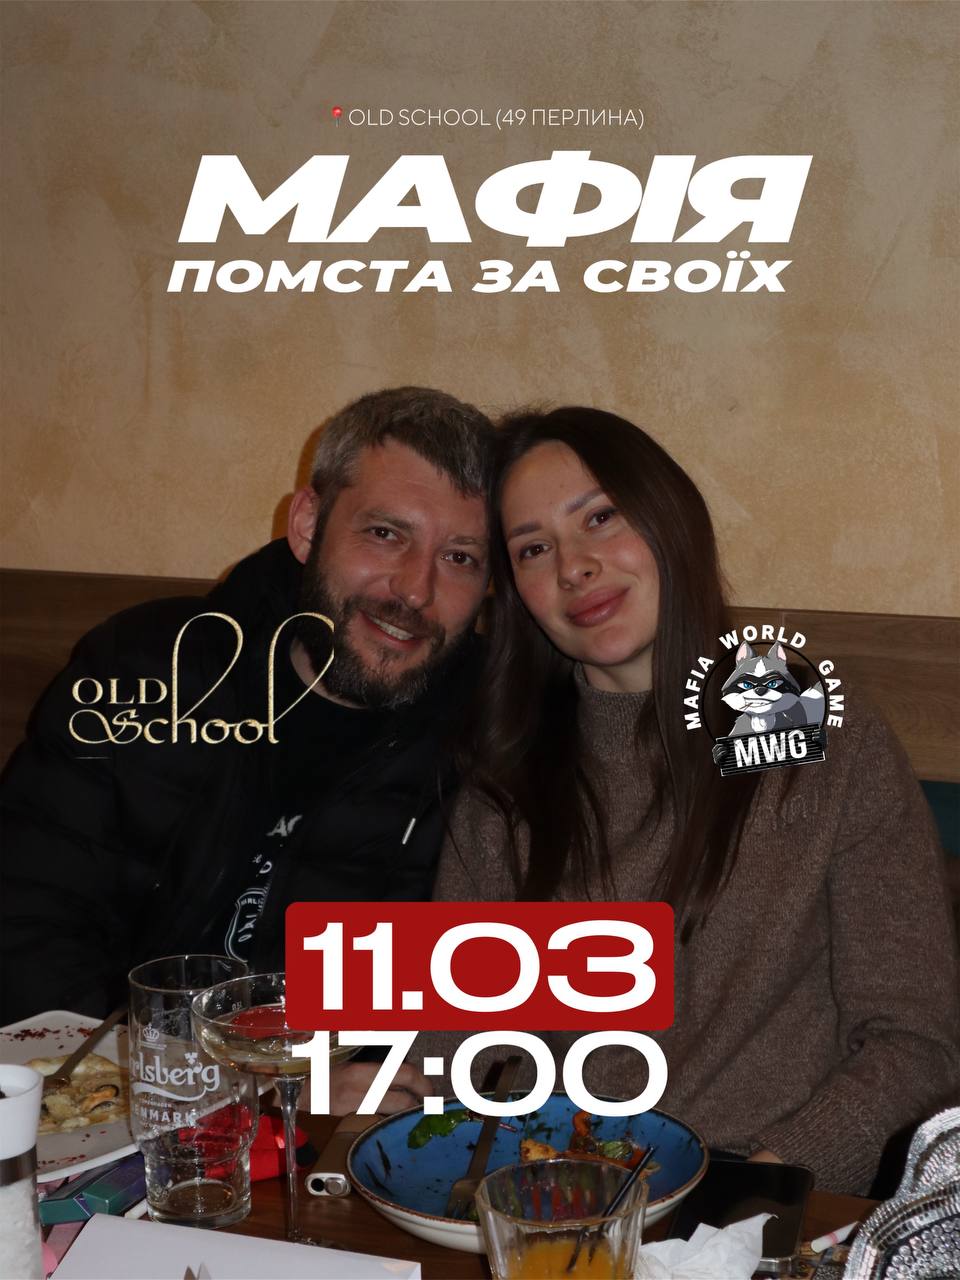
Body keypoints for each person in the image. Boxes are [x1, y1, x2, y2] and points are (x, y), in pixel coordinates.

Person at [425, 406, 960, 1194]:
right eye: (534, 548)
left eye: (600, 518)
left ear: (672, 521)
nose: (574, 567)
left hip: (763, 1199)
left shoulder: (813, 729)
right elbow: (461, 1051)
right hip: (557, 1199)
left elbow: (916, 1043)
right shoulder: (502, 787)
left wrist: (751, 1192)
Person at [1, 386, 493, 1118]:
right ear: (308, 525)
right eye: (385, 533)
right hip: (85, 1108)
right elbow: (25, 928)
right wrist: (248, 1085)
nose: (415, 590)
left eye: (459, 557)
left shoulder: (490, 743)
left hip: (315, 1144)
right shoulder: (141, 669)